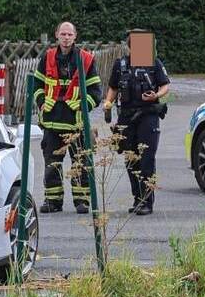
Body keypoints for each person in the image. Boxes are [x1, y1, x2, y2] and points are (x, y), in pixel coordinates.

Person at [32, 21, 102, 213]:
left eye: (69, 35)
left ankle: (82, 201)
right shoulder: (47, 58)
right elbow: (36, 85)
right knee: (52, 164)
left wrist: (82, 105)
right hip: (52, 122)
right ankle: (53, 201)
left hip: (76, 123)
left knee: (80, 163)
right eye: (63, 34)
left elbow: (96, 92)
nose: (66, 38)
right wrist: (40, 102)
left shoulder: (86, 60)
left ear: (75, 36)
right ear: (56, 35)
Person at [106, 32, 171, 216]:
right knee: (130, 159)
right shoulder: (120, 65)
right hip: (126, 117)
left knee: (146, 158)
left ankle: (146, 201)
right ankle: (137, 198)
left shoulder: (154, 63)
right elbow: (113, 87)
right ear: (130, 46)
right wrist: (108, 103)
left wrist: (156, 96)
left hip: (148, 115)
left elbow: (165, 85)